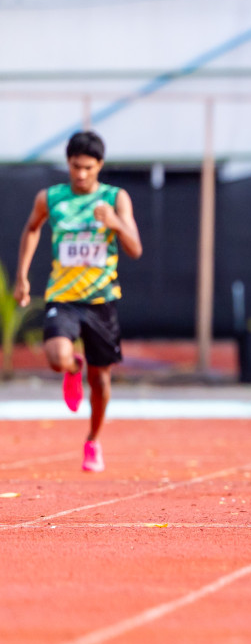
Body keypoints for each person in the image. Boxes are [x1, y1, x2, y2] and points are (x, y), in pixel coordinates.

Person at [13, 131, 143, 472]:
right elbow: (31, 229)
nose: (81, 174)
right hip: (64, 295)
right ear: (68, 164)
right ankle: (73, 368)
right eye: (75, 167)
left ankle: (93, 441)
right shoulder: (50, 197)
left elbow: (135, 249)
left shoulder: (116, 198)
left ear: (99, 165)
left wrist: (114, 221)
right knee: (56, 356)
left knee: (100, 382)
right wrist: (22, 276)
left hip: (101, 299)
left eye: (87, 167)